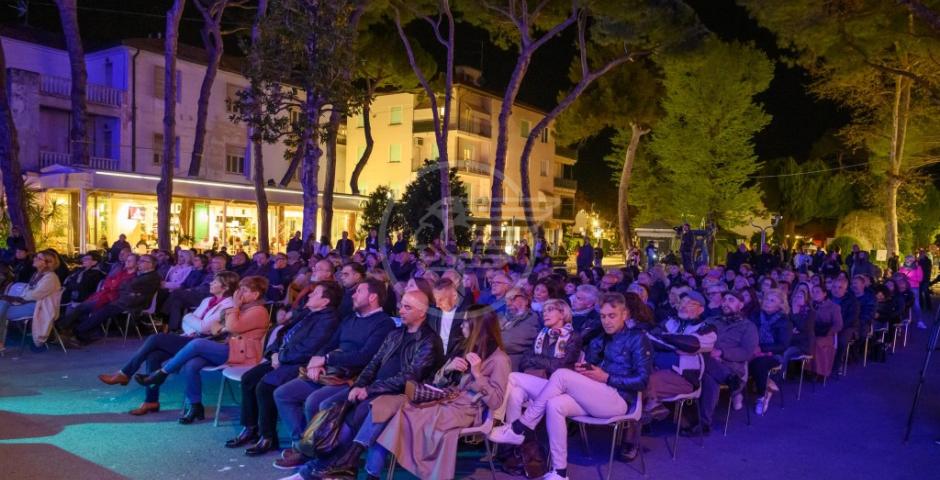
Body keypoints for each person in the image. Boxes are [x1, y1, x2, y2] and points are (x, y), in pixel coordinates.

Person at [489, 293, 652, 480]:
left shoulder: (637, 338)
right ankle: (560, 472)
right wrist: (586, 370)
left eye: (612, 316)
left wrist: (606, 377)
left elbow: (642, 380)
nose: (606, 321)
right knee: (524, 385)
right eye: (603, 316)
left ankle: (521, 427)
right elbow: (591, 366)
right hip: (595, 394)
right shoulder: (600, 338)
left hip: (619, 400)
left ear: (625, 315)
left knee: (561, 374)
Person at [298, 290, 443, 480]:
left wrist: (368, 389)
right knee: (330, 405)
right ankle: (328, 463)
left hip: (402, 394)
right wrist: (358, 386)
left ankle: (333, 466)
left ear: (422, 312)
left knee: (361, 412)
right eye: (401, 305)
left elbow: (409, 377)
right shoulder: (395, 333)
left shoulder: (429, 341)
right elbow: (373, 363)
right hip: (376, 389)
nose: (401, 310)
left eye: (408, 307)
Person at [370, 306, 511, 480]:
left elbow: (496, 401)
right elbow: (437, 382)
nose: (462, 326)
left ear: (478, 325)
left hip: (467, 409)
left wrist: (478, 375)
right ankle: (374, 472)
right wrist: (448, 369)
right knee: (401, 411)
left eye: (466, 321)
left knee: (409, 415)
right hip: (448, 399)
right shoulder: (465, 348)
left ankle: (403, 470)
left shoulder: (499, 359)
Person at [272, 279, 394, 469]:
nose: (352, 295)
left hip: (353, 377)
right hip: (330, 372)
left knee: (315, 401)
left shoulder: (384, 324)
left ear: (372, 297)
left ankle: (315, 453)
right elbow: (330, 343)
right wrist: (317, 360)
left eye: (358, 291)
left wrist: (327, 359)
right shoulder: (350, 319)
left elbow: (365, 357)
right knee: (283, 394)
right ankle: (303, 445)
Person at [96, 272, 240, 415]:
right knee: (154, 356)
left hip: (203, 343)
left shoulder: (229, 305)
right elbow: (190, 324)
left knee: (156, 338)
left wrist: (190, 317)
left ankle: (125, 373)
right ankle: (151, 401)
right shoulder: (207, 300)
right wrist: (193, 322)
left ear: (225, 287)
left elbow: (202, 327)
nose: (211, 283)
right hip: (189, 336)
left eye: (215, 282)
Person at [226, 281, 343, 456]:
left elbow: (308, 349)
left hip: (299, 364)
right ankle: (250, 428)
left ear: (325, 301)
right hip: (283, 358)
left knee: (265, 386)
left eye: (315, 293)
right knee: (249, 379)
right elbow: (282, 333)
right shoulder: (308, 313)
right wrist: (273, 353)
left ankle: (268, 437)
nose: (309, 295)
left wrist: (280, 357)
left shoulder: (328, 320)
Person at [134, 276, 271, 424]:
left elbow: (231, 327)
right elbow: (215, 328)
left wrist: (233, 311)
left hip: (244, 356)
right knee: (192, 363)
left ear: (256, 294)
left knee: (198, 344)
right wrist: (227, 324)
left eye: (244, 290)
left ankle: (162, 373)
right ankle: (195, 405)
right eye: (239, 289)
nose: (239, 294)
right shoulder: (243, 309)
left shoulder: (258, 311)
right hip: (230, 348)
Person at [644, 290, 717, 419]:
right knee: (633, 377)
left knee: (642, 382)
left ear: (701, 310)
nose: (684, 305)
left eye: (690, 304)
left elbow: (692, 344)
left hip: (684, 377)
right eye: (682, 301)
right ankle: (652, 407)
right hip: (656, 369)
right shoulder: (670, 322)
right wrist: (675, 345)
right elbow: (651, 337)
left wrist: (665, 339)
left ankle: (652, 407)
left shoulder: (706, 327)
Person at [695, 291, 757, 435]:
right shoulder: (712, 320)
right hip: (706, 361)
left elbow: (747, 352)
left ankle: (704, 423)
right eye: (724, 300)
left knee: (709, 376)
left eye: (731, 300)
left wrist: (722, 353)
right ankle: (727, 378)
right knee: (707, 367)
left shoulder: (748, 326)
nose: (726, 303)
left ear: (741, 305)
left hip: (732, 365)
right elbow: (697, 337)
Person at [67, 254, 161, 346]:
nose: (139, 263)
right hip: (125, 300)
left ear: (151, 264)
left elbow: (127, 287)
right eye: (139, 261)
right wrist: (126, 289)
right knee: (97, 308)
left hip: (132, 303)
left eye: (142, 261)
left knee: (102, 311)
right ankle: (80, 333)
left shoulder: (152, 277)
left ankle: (78, 332)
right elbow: (124, 286)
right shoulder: (142, 275)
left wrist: (126, 289)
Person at [0, 251, 62, 352]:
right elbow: (28, 292)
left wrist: (18, 298)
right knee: (2, 304)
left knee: (2, 309)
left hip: (39, 307)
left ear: (47, 263)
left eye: (39, 258)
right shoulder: (37, 274)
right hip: (30, 304)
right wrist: (16, 298)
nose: (35, 259)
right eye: (36, 257)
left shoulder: (51, 277)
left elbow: (34, 295)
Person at [748, 288, 792, 415]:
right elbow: (748, 333)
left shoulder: (784, 321)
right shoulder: (755, 315)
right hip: (752, 349)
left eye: (772, 300)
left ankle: (762, 396)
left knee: (758, 363)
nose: (767, 302)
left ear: (780, 305)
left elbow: (783, 345)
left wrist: (761, 349)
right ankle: (738, 394)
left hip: (773, 354)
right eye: (766, 299)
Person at [500, 287, 542, 371]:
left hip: (513, 366)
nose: (508, 303)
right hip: (500, 362)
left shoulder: (531, 318)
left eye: (512, 299)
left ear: (526, 300)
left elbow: (509, 343)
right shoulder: (506, 318)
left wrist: (492, 339)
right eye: (506, 300)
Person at [810, 284, 842, 380]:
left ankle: (820, 371)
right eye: (813, 292)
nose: (815, 294)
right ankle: (807, 369)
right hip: (811, 332)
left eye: (818, 292)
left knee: (817, 343)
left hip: (827, 333)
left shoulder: (833, 307)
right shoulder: (810, 305)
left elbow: (838, 325)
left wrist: (828, 332)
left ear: (824, 294)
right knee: (808, 341)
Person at [428, 279, 467, 355]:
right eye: (436, 300)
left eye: (441, 300)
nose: (437, 305)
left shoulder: (465, 314)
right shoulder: (432, 313)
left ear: (454, 296)